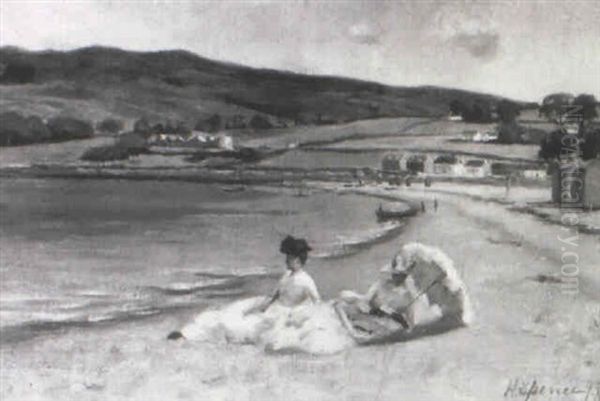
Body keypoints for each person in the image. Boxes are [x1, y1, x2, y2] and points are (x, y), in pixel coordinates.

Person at [334, 250, 419, 339]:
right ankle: (352, 331)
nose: (398, 278)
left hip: (386, 320)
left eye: (402, 275)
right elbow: (368, 300)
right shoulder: (381, 284)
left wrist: (407, 326)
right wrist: (376, 310)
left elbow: (409, 316)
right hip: (370, 311)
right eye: (396, 274)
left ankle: (363, 332)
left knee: (390, 326)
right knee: (342, 303)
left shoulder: (407, 293)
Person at [248, 235, 321, 314]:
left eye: (289, 258)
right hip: (277, 312)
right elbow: (275, 295)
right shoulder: (286, 275)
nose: (286, 261)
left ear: (297, 260)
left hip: (290, 317)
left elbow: (317, 302)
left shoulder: (306, 280)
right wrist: (264, 308)